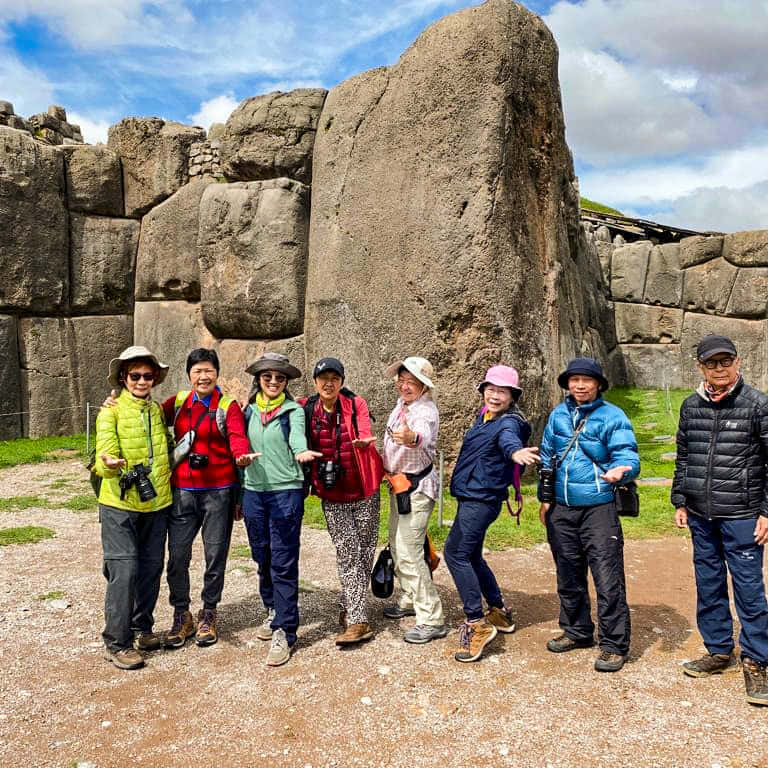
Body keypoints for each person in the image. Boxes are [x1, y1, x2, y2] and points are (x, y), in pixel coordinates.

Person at [672, 335, 768, 705]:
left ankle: (758, 659)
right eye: (713, 363)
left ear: (737, 363)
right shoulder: (690, 406)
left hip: (743, 515)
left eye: (726, 362)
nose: (720, 369)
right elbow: (684, 457)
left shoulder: (758, 405)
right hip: (700, 515)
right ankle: (717, 650)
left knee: (748, 590)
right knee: (708, 583)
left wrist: (766, 511)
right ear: (701, 367)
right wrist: (680, 499)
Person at [539, 357, 639, 673]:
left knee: (607, 577)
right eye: (574, 380)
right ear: (567, 384)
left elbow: (627, 455)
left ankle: (613, 644)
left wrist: (622, 471)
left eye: (586, 380)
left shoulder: (613, 416)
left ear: (598, 384)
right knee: (568, 574)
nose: (580, 385)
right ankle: (577, 630)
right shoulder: (558, 415)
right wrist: (545, 499)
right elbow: (547, 458)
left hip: (599, 507)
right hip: (562, 507)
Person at [446, 365, 539, 662]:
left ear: (513, 396)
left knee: (455, 554)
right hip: (474, 495)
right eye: (490, 389)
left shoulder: (508, 424)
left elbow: (509, 440)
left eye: (502, 391)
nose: (494, 395)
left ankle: (477, 623)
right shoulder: (485, 418)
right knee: (471, 555)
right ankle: (499, 611)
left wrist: (516, 453)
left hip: (481, 499)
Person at [159, 349, 251, 648]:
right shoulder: (180, 402)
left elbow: (237, 436)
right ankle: (181, 613)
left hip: (219, 492)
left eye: (208, 370)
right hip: (183, 491)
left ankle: (209, 612)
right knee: (177, 557)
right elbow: (147, 416)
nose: (203, 376)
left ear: (217, 373)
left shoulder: (227, 406)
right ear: (189, 375)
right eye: (197, 371)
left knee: (215, 556)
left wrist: (241, 455)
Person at [93, 346, 173, 670]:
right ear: (124, 378)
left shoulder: (156, 411)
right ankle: (117, 642)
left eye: (148, 375)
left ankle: (142, 629)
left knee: (151, 568)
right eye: (135, 375)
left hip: (156, 502)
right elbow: (104, 455)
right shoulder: (109, 412)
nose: (142, 380)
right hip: (119, 504)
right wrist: (109, 464)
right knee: (123, 571)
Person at [240, 353, 320, 666]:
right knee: (262, 555)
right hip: (253, 491)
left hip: (286, 491)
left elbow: (298, 439)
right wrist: (241, 459)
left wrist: (300, 453)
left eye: (280, 378)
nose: (274, 382)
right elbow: (237, 443)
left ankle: (285, 631)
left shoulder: (292, 411)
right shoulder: (247, 411)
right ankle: (272, 608)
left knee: (284, 560)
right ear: (258, 379)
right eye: (267, 377)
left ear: (286, 382)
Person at [299, 358, 383, 645]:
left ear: (342, 381)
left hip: (365, 488)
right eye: (323, 378)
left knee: (365, 551)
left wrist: (362, 441)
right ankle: (359, 621)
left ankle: (349, 604)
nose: (329, 383)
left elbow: (362, 427)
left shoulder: (355, 403)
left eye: (335, 378)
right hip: (332, 494)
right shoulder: (306, 407)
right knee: (348, 552)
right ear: (315, 381)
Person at [381, 357, 448, 644]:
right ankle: (410, 598)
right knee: (396, 544)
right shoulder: (402, 405)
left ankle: (431, 618)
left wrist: (410, 438)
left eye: (412, 381)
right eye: (402, 379)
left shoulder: (424, 410)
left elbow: (421, 436)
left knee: (409, 551)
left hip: (417, 488)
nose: (405, 385)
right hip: (400, 486)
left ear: (424, 386)